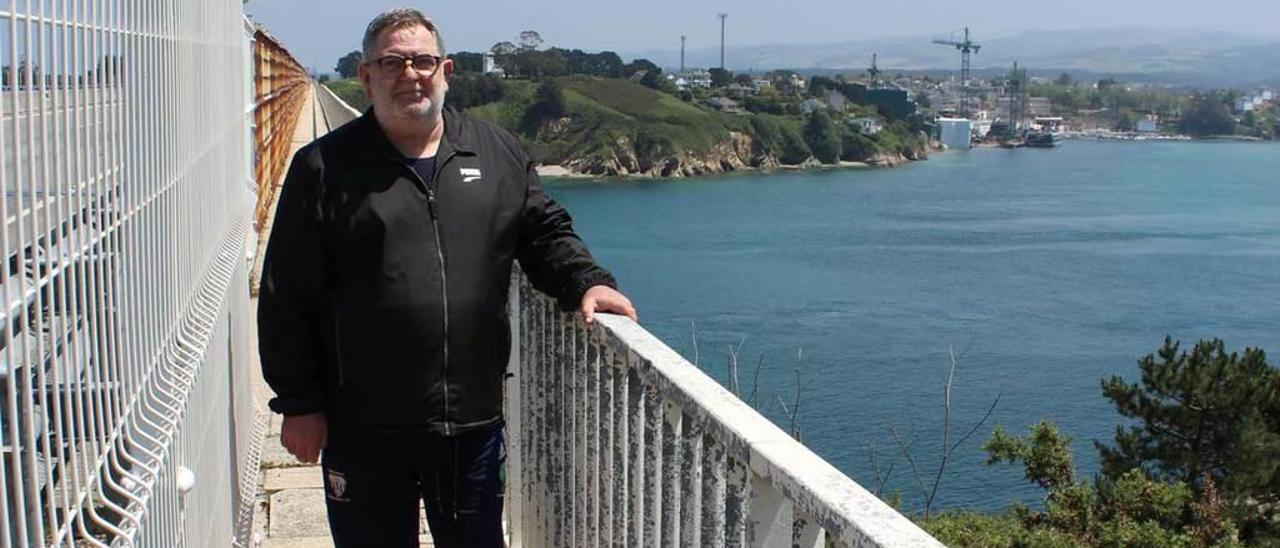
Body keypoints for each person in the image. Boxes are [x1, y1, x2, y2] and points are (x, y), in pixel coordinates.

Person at [257, 8, 636, 547]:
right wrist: (298, 403)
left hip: (472, 423)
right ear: (366, 76)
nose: (409, 74)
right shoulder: (324, 168)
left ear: (446, 71)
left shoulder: (496, 150)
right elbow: (285, 294)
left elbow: (544, 231)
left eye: (422, 61)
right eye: (392, 62)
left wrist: (588, 281)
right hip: (362, 425)